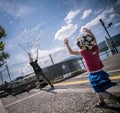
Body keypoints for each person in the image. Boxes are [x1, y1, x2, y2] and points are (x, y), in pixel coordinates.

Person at [64, 28, 120, 107]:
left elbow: (71, 52)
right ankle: (101, 102)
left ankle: (117, 99)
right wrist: (90, 32)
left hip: (94, 75)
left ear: (82, 45)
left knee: (99, 90)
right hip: (101, 72)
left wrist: (67, 44)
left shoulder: (83, 52)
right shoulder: (96, 48)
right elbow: (95, 41)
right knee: (98, 89)